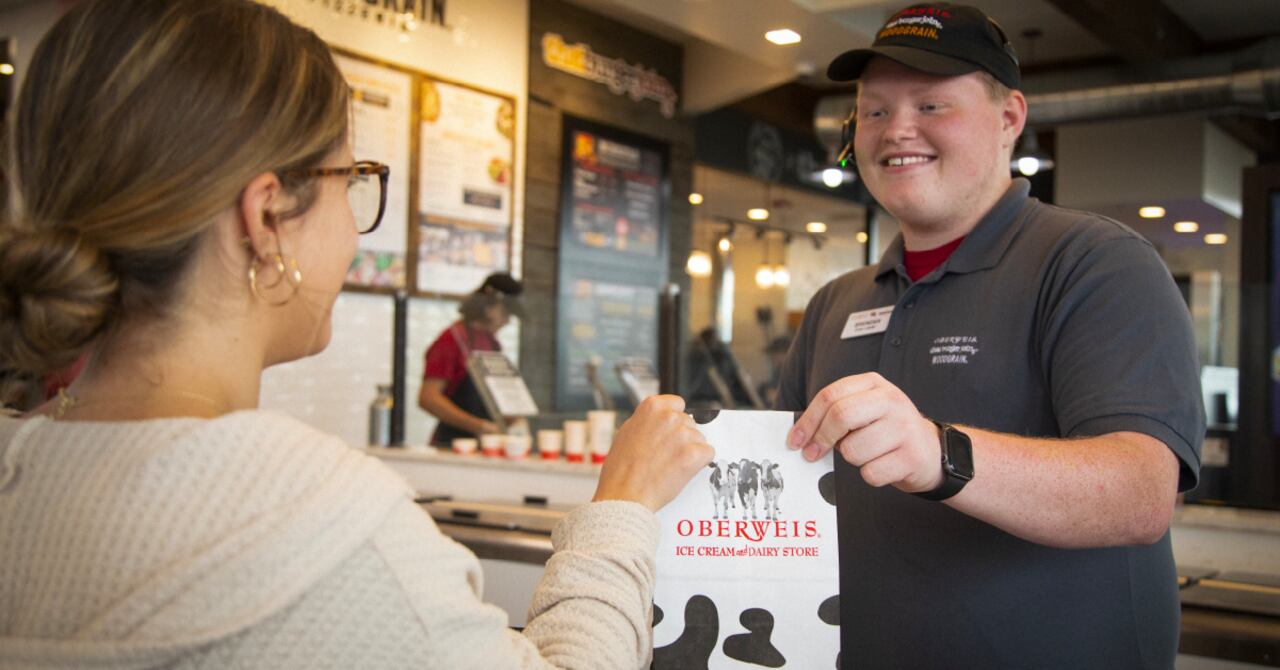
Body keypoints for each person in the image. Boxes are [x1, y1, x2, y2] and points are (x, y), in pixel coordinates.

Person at [0, 2, 713, 668]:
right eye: (354, 177)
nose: (352, 222)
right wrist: (621, 507)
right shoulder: (325, 532)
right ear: (267, 217)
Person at [775, 3, 1204, 668]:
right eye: (875, 109)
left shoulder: (1095, 263)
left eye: (931, 105)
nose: (897, 130)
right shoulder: (836, 302)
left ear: (1009, 120)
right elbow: (783, 489)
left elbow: (1141, 492)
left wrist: (940, 454)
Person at [418, 272, 524, 445]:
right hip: (452, 445)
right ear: (489, 306)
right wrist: (479, 426)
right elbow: (428, 398)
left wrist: (515, 420)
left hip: (487, 445)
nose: (507, 322)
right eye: (506, 313)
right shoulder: (451, 341)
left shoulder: (493, 343)